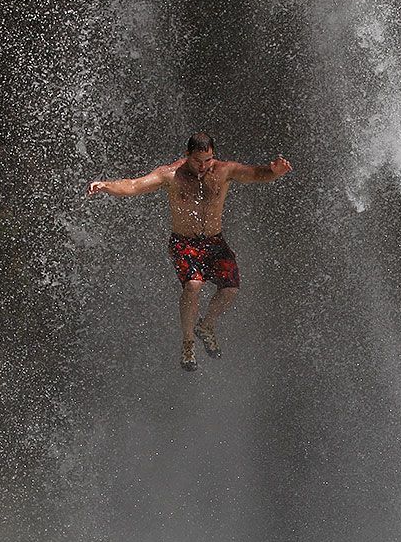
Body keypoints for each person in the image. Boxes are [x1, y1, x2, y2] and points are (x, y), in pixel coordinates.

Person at [87, 133, 293, 370]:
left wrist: (275, 172)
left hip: (214, 242)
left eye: (207, 160)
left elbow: (256, 174)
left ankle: (206, 326)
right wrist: (106, 186)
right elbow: (133, 185)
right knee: (194, 285)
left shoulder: (224, 170)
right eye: (197, 161)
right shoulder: (171, 175)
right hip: (184, 243)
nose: (203, 166)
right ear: (187, 155)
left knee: (231, 289)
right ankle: (188, 342)